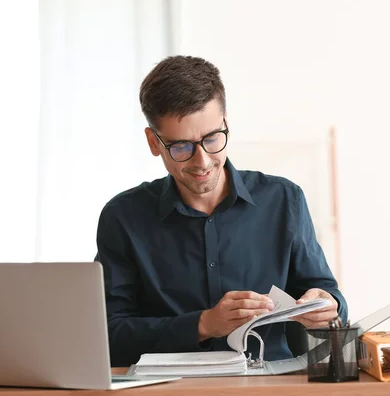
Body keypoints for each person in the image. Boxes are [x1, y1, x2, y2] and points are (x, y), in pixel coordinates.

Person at [95, 55, 348, 367]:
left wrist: (327, 305)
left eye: (212, 138)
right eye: (181, 147)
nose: (202, 161)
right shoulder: (123, 218)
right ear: (153, 142)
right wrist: (203, 324)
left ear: (226, 123)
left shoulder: (284, 200)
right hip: (170, 389)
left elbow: (329, 297)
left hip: (270, 388)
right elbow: (108, 335)